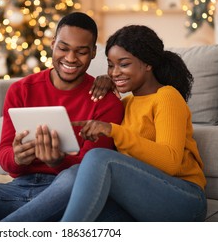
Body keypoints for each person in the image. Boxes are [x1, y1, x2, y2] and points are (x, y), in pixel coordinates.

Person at [0, 12, 124, 222]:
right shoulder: (22, 90)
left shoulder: (107, 102)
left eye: (81, 52)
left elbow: (93, 173)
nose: (71, 58)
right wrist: (17, 158)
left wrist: (59, 161)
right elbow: (4, 154)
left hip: (68, 196)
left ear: (93, 53)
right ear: (53, 44)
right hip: (17, 191)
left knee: (74, 176)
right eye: (63, 48)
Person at [61, 25, 207, 222]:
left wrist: (112, 130)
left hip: (184, 198)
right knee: (76, 177)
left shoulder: (167, 96)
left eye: (123, 64)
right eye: (110, 65)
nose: (114, 73)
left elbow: (170, 162)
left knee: (99, 158)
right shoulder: (126, 103)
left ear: (147, 64)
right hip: (143, 198)